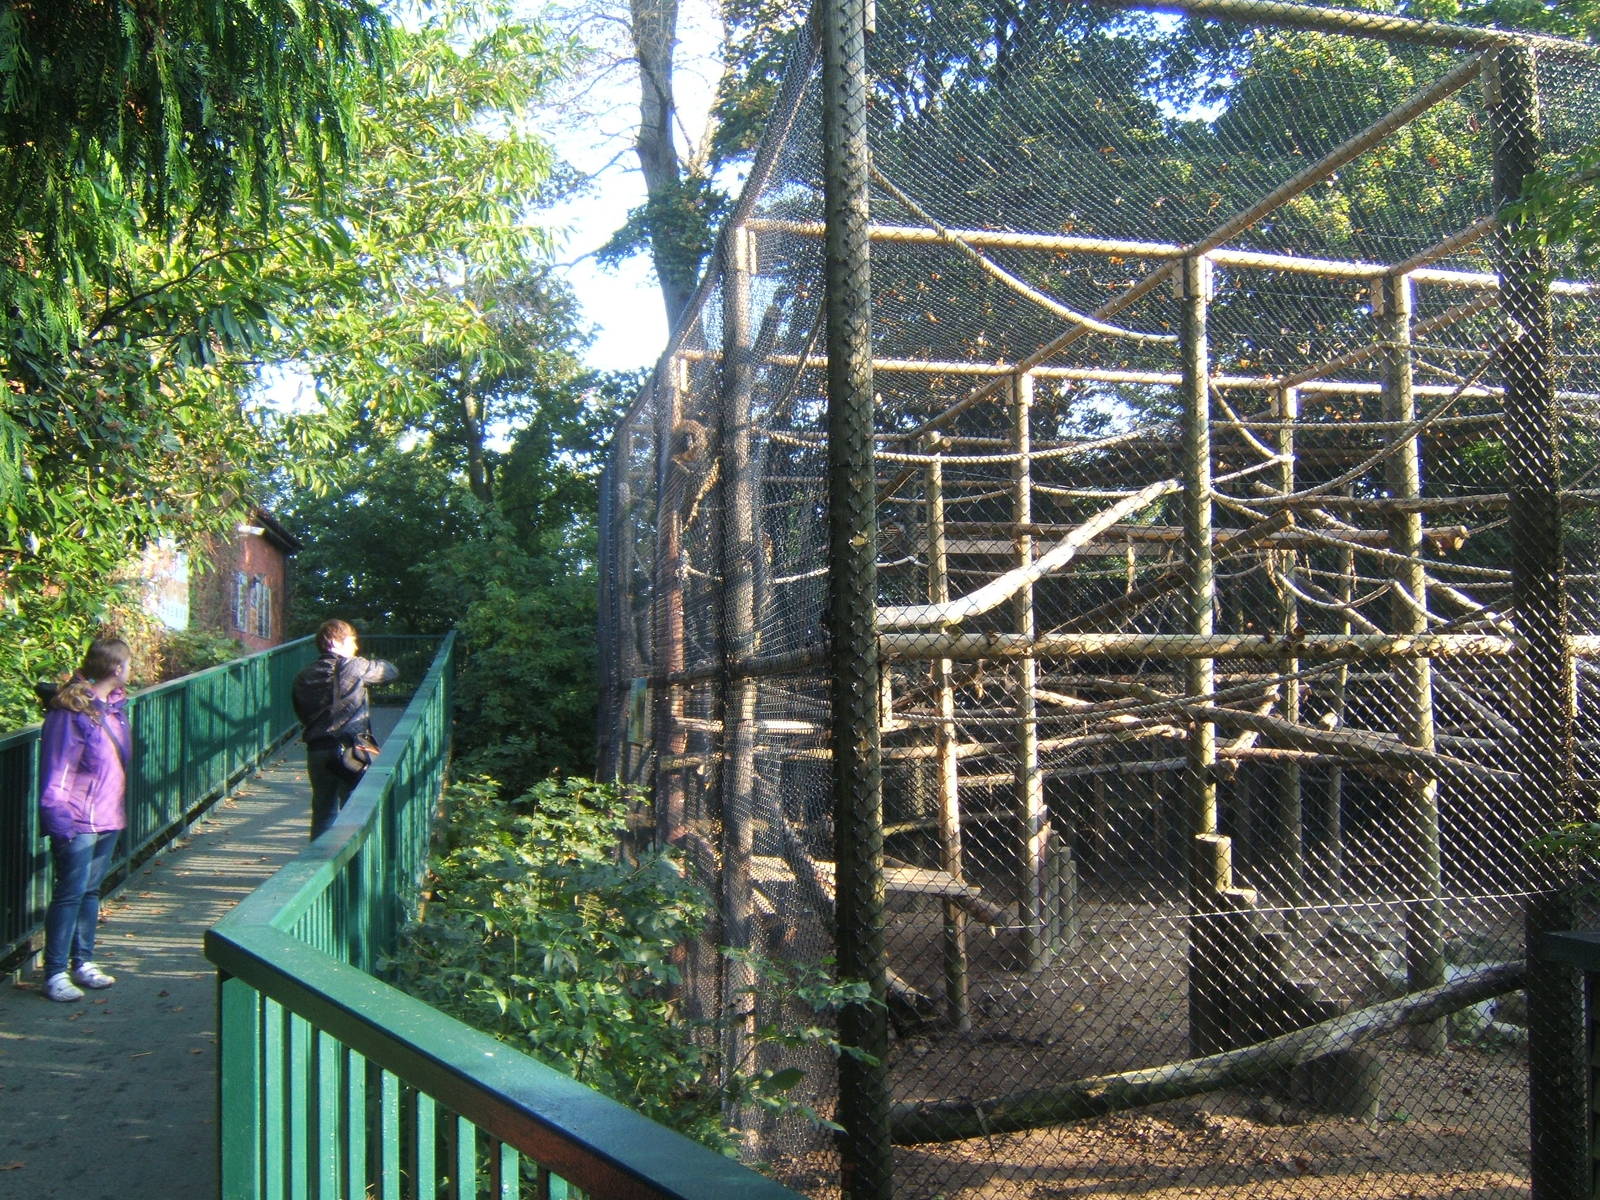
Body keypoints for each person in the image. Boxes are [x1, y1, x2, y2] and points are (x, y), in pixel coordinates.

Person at [37, 637, 132, 1003]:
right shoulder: (71, 711)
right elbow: (57, 770)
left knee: (90, 891)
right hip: (77, 817)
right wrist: (58, 819)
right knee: (70, 892)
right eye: (127, 663)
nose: (130, 669)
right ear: (115, 668)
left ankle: (83, 961)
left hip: (107, 814)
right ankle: (55, 971)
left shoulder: (114, 707)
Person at [292, 619, 398, 839]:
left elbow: (301, 711)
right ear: (335, 642)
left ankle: (317, 865)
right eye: (352, 641)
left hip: (317, 749)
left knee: (323, 813)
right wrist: (373, 663)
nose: (356, 647)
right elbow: (390, 671)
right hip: (351, 752)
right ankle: (350, 868)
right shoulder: (355, 666)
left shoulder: (303, 675)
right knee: (353, 813)